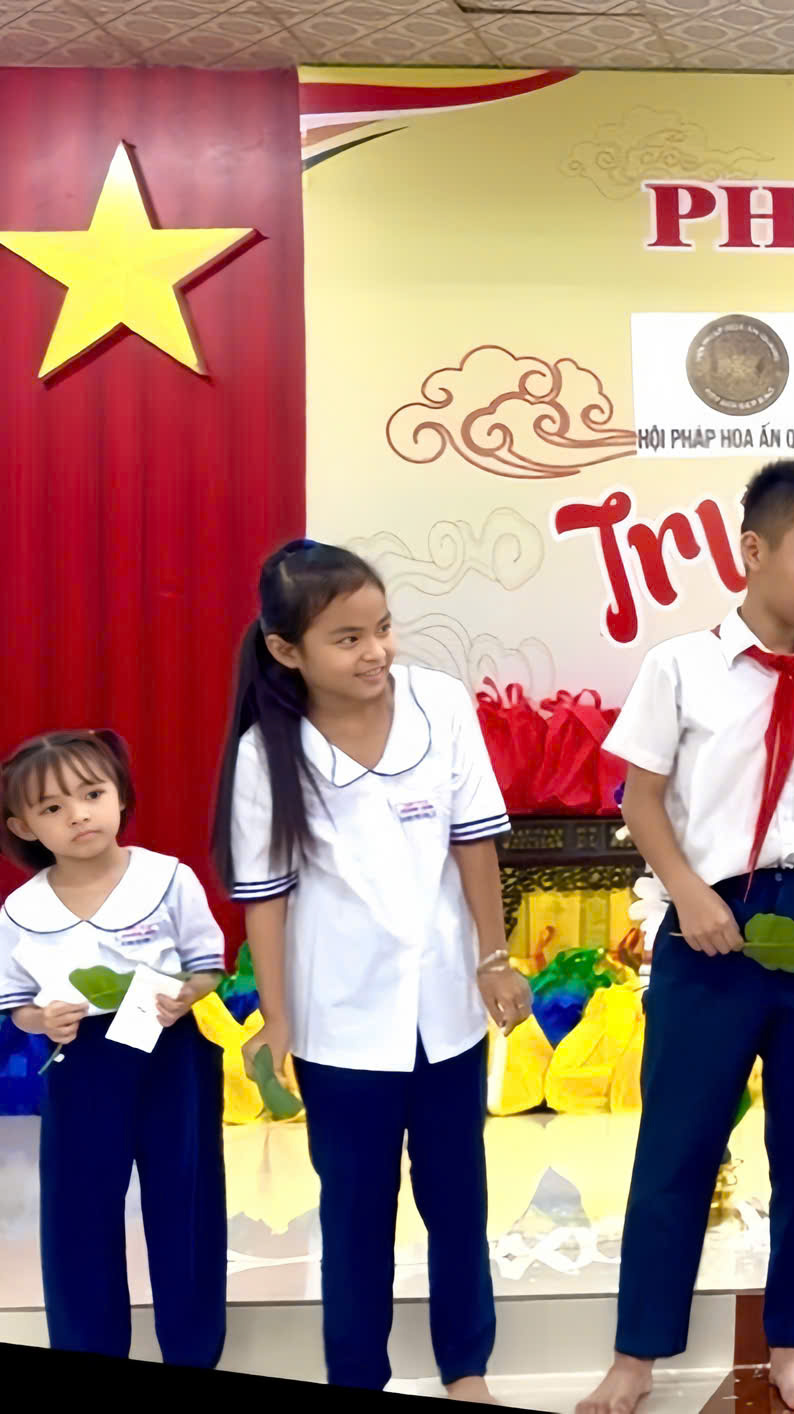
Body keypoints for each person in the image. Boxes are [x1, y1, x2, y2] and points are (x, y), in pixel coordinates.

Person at [579, 460, 794, 1414]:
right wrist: (690, 895)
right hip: (709, 927)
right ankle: (636, 1355)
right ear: (754, 550)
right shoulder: (681, 667)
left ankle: (793, 1341)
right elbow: (641, 798)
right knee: (678, 1146)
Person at [213, 539, 530, 1397]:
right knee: (356, 1216)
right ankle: (358, 1372)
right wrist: (278, 1017)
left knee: (457, 1199)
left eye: (383, 628)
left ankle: (467, 1369)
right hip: (341, 1023)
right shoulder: (267, 751)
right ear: (287, 651)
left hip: (444, 1011)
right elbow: (267, 899)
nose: (376, 652)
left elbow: (474, 841)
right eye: (348, 639)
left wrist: (494, 957)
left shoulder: (440, 703)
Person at [4, 729, 227, 1370]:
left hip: (170, 1054)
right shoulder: (20, 910)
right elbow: (15, 1003)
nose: (78, 814)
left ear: (120, 796)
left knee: (183, 1201)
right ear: (24, 826)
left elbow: (209, 965)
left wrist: (187, 994)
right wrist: (42, 1019)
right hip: (82, 1064)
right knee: (79, 1211)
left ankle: (192, 1349)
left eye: (92, 794)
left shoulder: (168, 878)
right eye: (52, 807)